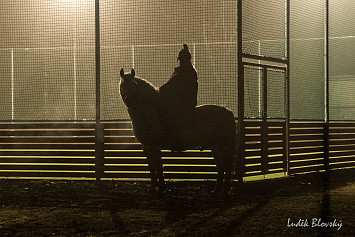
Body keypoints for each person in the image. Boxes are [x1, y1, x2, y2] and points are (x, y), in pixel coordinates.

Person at [159, 44, 198, 150]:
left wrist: (161, 91)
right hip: (183, 102)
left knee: (172, 117)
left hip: (184, 104)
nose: (180, 62)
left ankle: (176, 140)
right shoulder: (186, 71)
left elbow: (171, 84)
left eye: (181, 59)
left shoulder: (185, 72)